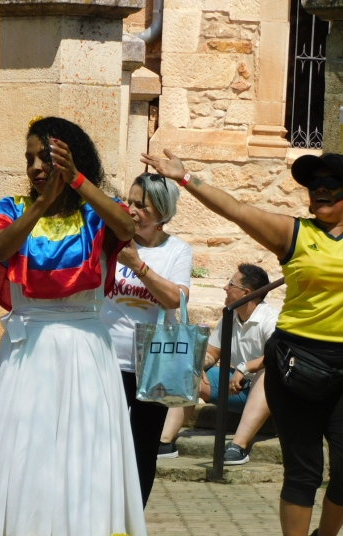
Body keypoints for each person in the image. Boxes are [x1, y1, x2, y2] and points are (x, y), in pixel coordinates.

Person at [0, 116, 146, 536]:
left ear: (69, 159)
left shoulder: (95, 213)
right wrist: (42, 204)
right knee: (23, 446)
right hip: (27, 349)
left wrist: (79, 183)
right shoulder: (12, 208)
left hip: (85, 350)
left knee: (81, 447)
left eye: (44, 157)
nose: (34, 166)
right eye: (29, 158)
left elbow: (128, 227)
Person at [141, 149, 343, 536]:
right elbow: (236, 209)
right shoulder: (295, 233)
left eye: (331, 183)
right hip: (298, 363)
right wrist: (185, 179)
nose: (320, 189)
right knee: (304, 472)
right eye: (313, 183)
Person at [100, 172, 192, 506]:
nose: (132, 210)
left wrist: (138, 266)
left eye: (143, 205)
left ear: (162, 213)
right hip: (106, 357)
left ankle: (132, 518)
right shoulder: (113, 241)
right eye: (130, 201)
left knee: (143, 448)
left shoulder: (178, 251)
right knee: (101, 442)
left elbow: (174, 299)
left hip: (152, 365)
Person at [158, 264, 278, 465]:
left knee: (268, 372)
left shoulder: (271, 319)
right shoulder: (229, 316)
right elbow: (213, 353)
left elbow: (277, 356)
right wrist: (199, 365)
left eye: (230, 284)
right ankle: (164, 442)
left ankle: (238, 446)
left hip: (270, 397)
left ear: (246, 293)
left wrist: (245, 367)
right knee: (191, 368)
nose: (224, 287)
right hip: (236, 389)